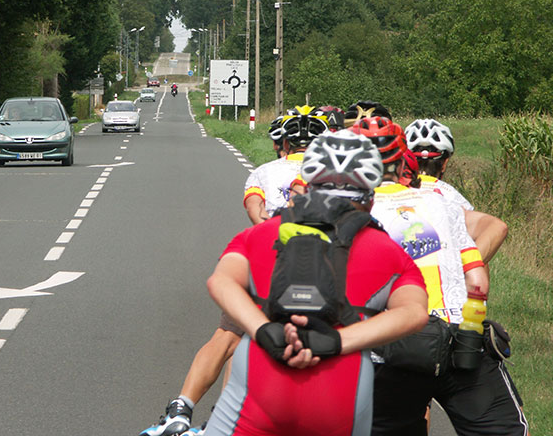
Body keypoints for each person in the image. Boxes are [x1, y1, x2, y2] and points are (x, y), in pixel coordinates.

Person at [202, 131, 428, 436]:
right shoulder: (388, 251)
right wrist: (336, 342)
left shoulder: (261, 234)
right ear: (371, 199)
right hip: (340, 399)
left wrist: (265, 330)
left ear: (306, 187)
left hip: (256, 391)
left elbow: (221, 280)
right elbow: (414, 313)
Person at [139, 107, 330, 436]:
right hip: (320, 266)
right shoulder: (331, 174)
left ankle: (182, 409)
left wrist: (273, 231)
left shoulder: (264, 172)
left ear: (281, 144)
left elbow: (255, 213)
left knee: (230, 336)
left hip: (268, 257)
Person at [349, 117, 529, 436]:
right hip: (460, 339)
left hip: (395, 345)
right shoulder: (439, 201)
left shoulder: (354, 214)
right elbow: (478, 280)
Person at [404, 118, 508, 265]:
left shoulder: (392, 194)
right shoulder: (453, 198)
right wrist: (464, 269)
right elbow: (498, 227)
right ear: (445, 163)